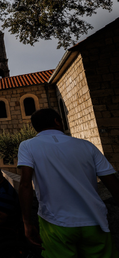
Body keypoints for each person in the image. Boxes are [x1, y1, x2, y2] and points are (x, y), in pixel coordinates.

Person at [18, 108, 119, 257]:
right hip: (94, 221)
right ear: (57, 121)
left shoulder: (27, 146)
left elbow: (25, 184)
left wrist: (26, 222)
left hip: (55, 223)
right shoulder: (87, 145)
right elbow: (112, 182)